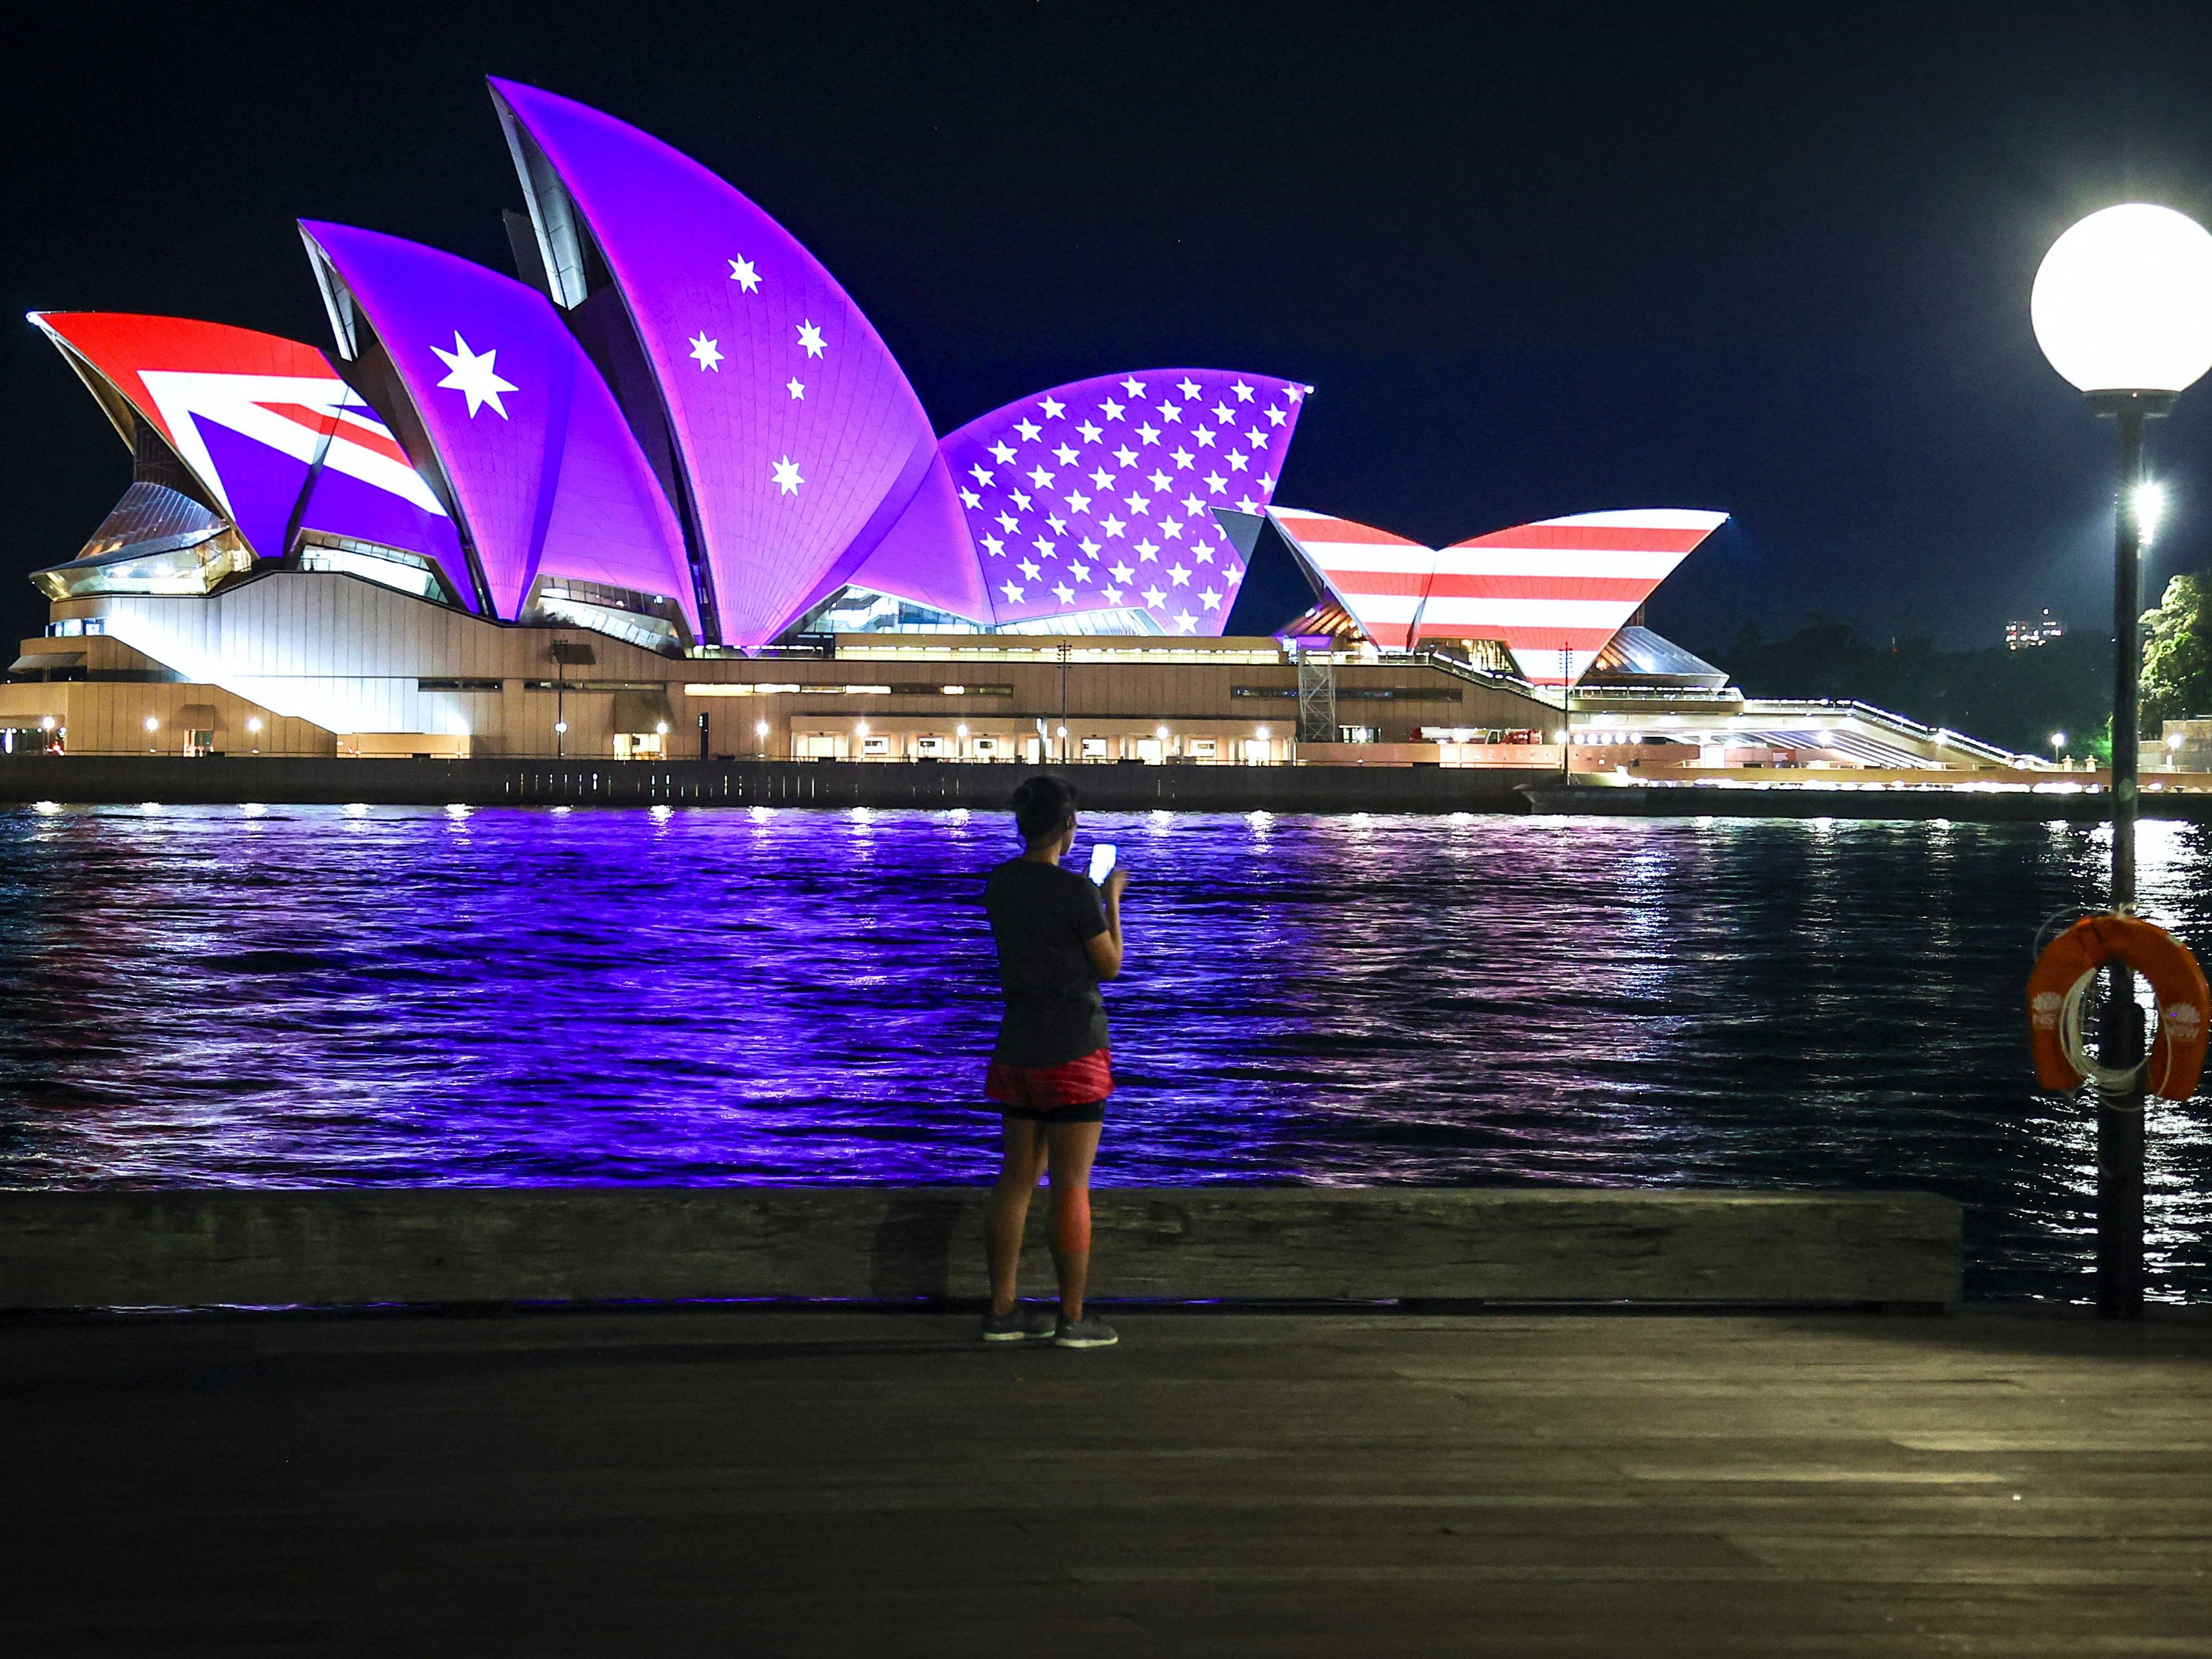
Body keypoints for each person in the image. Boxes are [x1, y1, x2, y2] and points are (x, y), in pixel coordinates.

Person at [979, 775, 1127, 1349]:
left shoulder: (1000, 883)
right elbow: (1108, 966)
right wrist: (1110, 900)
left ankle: (1001, 1309)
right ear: (1068, 825)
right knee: (1070, 1184)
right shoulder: (1077, 893)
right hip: (1073, 1049)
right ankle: (1072, 1317)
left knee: (1016, 1177)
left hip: (1017, 1045)